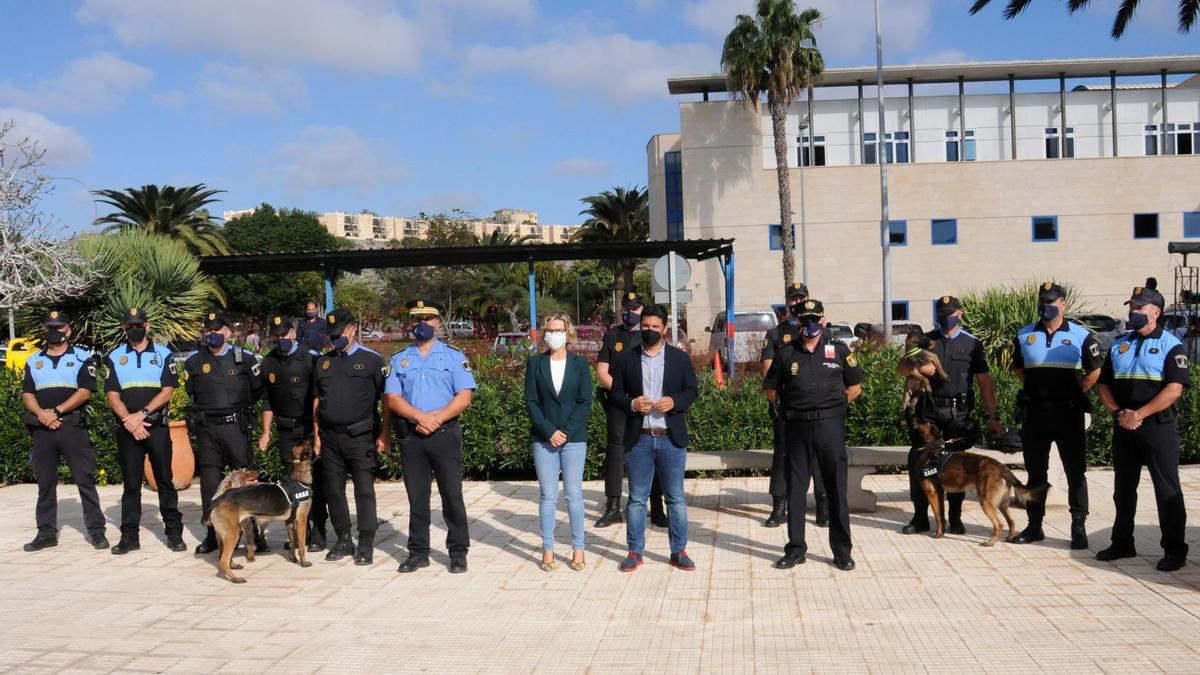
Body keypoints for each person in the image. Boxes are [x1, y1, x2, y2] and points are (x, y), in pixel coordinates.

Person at [1095, 279, 1190, 571]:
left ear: (1156, 312)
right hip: (1124, 425)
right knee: (1123, 488)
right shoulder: (1120, 344)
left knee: (1166, 489)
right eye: (1131, 307)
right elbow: (1103, 384)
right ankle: (1122, 542)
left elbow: (1175, 388)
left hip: (1157, 427)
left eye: (1139, 307)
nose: (1133, 312)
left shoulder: (1172, 345)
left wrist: (1141, 414)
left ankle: (1174, 549)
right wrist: (1119, 412)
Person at [765, 299, 863, 572]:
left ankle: (842, 551)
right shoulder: (786, 353)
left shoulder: (840, 351)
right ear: (797, 321)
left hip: (829, 426)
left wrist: (834, 408)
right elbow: (771, 389)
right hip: (797, 427)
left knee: (835, 489)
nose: (809, 324)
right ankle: (796, 549)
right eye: (804, 319)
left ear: (822, 320)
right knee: (796, 489)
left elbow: (855, 387)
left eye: (814, 319)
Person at [897, 295, 1003, 536]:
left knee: (957, 465)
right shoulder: (927, 340)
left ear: (960, 313)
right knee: (920, 462)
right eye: (943, 314)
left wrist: (993, 415)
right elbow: (901, 368)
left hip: (959, 412)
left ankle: (954, 518)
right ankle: (920, 517)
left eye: (951, 313)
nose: (947, 317)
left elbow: (984, 381)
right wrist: (917, 368)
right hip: (929, 411)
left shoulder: (972, 343)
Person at [385, 299, 476, 574]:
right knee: (417, 497)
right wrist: (420, 417)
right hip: (413, 436)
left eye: (427, 319)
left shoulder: (452, 355)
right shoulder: (399, 358)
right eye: (415, 319)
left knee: (452, 494)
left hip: (445, 433)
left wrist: (436, 418)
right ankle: (418, 553)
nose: (420, 324)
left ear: (437, 322)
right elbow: (393, 398)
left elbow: (464, 397)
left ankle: (458, 552)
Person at [608, 304, 700, 573]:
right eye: (645, 326)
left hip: (670, 438)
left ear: (665, 329)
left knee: (676, 499)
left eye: (655, 327)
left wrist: (675, 401)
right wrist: (633, 404)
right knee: (637, 499)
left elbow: (692, 390)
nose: (649, 331)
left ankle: (678, 550)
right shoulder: (626, 359)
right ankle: (635, 551)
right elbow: (615, 395)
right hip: (640, 439)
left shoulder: (679, 359)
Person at [1011, 282, 1102, 548]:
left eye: (1051, 301)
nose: (1045, 306)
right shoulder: (1024, 335)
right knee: (1036, 473)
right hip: (1036, 413)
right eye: (1042, 301)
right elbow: (1019, 369)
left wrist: (1075, 392)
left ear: (1063, 303)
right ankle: (1034, 526)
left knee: (1076, 472)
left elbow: (1095, 371)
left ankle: (1078, 527)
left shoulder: (1081, 336)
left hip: (1068, 413)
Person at [20, 310, 108, 552]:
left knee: (84, 480)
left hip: (71, 427)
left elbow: (85, 391)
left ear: (68, 330)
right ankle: (46, 533)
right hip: (42, 428)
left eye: (59, 327)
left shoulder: (82, 357)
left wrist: (56, 412)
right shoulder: (34, 360)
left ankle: (97, 531)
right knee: (45, 482)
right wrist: (42, 415)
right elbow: (27, 393)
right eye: (50, 327)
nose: (54, 332)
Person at [104, 307, 185, 554]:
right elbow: (112, 395)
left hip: (156, 427)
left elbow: (168, 391)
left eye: (139, 324)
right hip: (128, 429)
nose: (134, 329)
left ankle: (173, 533)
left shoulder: (164, 354)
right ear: (124, 328)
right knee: (131, 485)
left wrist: (141, 415)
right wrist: (130, 420)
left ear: (148, 326)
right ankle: (129, 537)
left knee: (165, 482)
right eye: (130, 325)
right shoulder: (115, 356)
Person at [183, 311, 266, 555]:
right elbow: (192, 395)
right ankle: (212, 534)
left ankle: (254, 535)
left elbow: (258, 391)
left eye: (217, 330)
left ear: (228, 332)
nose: (212, 334)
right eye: (208, 330)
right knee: (209, 483)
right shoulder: (194, 362)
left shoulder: (246, 360)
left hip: (235, 427)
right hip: (207, 428)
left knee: (245, 484)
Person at [312, 308, 390, 565]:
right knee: (333, 491)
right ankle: (343, 539)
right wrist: (317, 436)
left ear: (352, 330)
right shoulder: (324, 362)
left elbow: (387, 400)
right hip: (330, 437)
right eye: (331, 336)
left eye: (339, 334)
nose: (334, 340)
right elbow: (317, 401)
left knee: (364, 490)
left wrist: (385, 433)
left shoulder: (372, 361)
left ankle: (366, 542)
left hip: (360, 436)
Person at [523, 312, 593, 571]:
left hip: (574, 439)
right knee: (548, 496)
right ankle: (548, 550)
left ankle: (578, 549)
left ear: (568, 333)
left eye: (558, 330)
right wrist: (549, 430)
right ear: (544, 333)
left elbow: (586, 401)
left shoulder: (579, 364)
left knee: (574, 495)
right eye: (549, 330)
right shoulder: (535, 363)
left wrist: (566, 430)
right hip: (544, 439)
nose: (554, 335)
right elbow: (531, 400)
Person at [594, 291, 667, 528]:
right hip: (619, 403)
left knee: (652, 453)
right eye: (626, 308)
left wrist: (640, 399)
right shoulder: (612, 335)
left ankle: (656, 507)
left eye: (635, 309)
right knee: (615, 454)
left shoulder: (649, 336)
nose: (630, 313)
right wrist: (624, 395)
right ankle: (613, 506)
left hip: (647, 405)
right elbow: (602, 371)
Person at [760, 282, 829, 529]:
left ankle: (823, 505)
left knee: (820, 456)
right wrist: (781, 398)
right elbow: (768, 369)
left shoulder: (825, 333)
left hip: (819, 409)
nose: (797, 302)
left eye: (802, 298)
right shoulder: (776, 334)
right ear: (787, 302)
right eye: (793, 298)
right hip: (787, 408)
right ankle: (780, 506)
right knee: (784, 455)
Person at [259, 315, 327, 552]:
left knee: (315, 481)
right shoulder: (269, 363)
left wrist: (317, 433)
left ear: (293, 334)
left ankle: (319, 532)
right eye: (275, 336)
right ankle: (299, 534)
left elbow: (319, 397)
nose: (280, 340)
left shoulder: (310, 358)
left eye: (283, 335)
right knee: (292, 483)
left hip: (309, 428)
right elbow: (267, 401)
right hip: (286, 429)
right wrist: (266, 432)